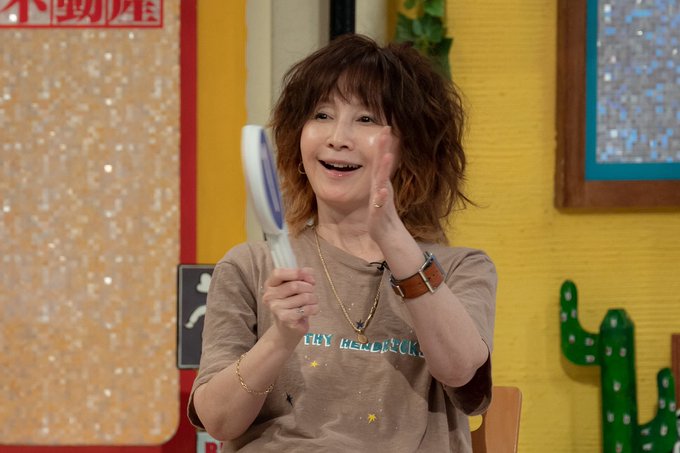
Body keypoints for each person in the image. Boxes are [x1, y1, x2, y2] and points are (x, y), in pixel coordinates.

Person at [188, 34, 496, 452]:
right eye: (322, 115)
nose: (338, 137)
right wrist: (279, 339)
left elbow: (463, 375)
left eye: (366, 119)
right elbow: (219, 421)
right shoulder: (250, 266)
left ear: (411, 146)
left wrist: (391, 235)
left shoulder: (462, 268)